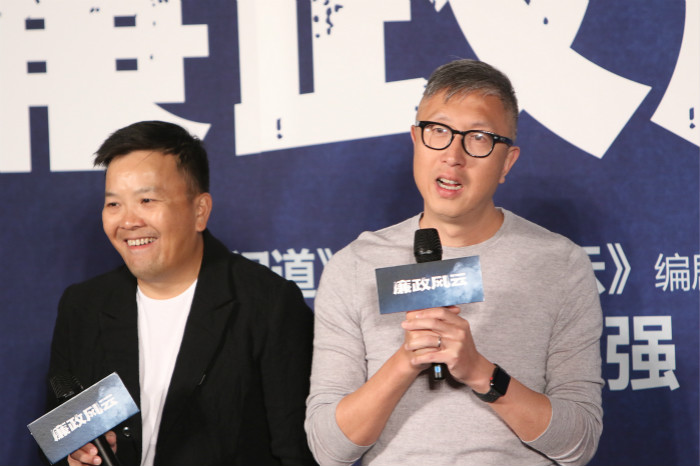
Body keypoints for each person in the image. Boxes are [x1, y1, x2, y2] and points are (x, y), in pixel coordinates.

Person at [305, 59, 603, 465]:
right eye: (439, 131)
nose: (453, 156)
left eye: (478, 138)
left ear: (507, 162)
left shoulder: (559, 264)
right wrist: (407, 360)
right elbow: (329, 449)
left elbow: (579, 443)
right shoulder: (355, 265)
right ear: (416, 139)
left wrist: (481, 372)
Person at [47, 121, 317, 466]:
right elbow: (59, 437)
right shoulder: (83, 306)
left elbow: (297, 453)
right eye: (113, 204)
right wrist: (73, 456)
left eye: (146, 200)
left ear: (199, 211)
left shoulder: (267, 304)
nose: (127, 222)